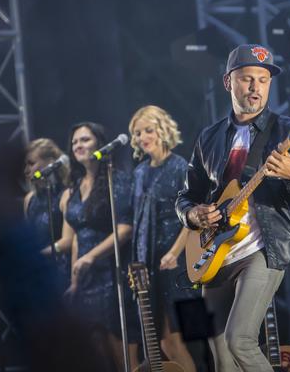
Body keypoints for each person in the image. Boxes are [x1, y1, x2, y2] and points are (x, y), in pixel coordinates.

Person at [176, 44, 290, 371]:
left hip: (263, 250)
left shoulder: (287, 131)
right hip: (215, 254)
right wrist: (194, 215)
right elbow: (186, 196)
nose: (256, 87)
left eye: (263, 80)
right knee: (221, 357)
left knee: (239, 340)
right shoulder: (208, 138)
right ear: (228, 82)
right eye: (247, 79)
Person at [63, 122, 137, 372]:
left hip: (111, 274)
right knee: (97, 356)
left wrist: (91, 257)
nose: (78, 146)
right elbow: (76, 236)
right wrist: (74, 280)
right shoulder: (75, 187)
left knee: (120, 353)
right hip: (86, 280)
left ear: (99, 144)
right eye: (74, 142)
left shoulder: (116, 180)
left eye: (85, 140)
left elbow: (125, 229)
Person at [129, 105, 198, 371]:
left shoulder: (180, 166)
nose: (142, 137)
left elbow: (193, 216)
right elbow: (137, 221)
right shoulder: (139, 173)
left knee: (179, 340)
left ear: (162, 130)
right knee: (160, 342)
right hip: (149, 263)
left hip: (178, 261)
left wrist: (174, 252)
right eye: (137, 133)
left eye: (148, 130)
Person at [23, 138, 72, 289]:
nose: (26, 170)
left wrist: (40, 254)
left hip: (63, 270)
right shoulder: (29, 199)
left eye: (31, 163)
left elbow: (68, 240)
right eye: (25, 165)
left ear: (50, 162)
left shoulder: (66, 194)